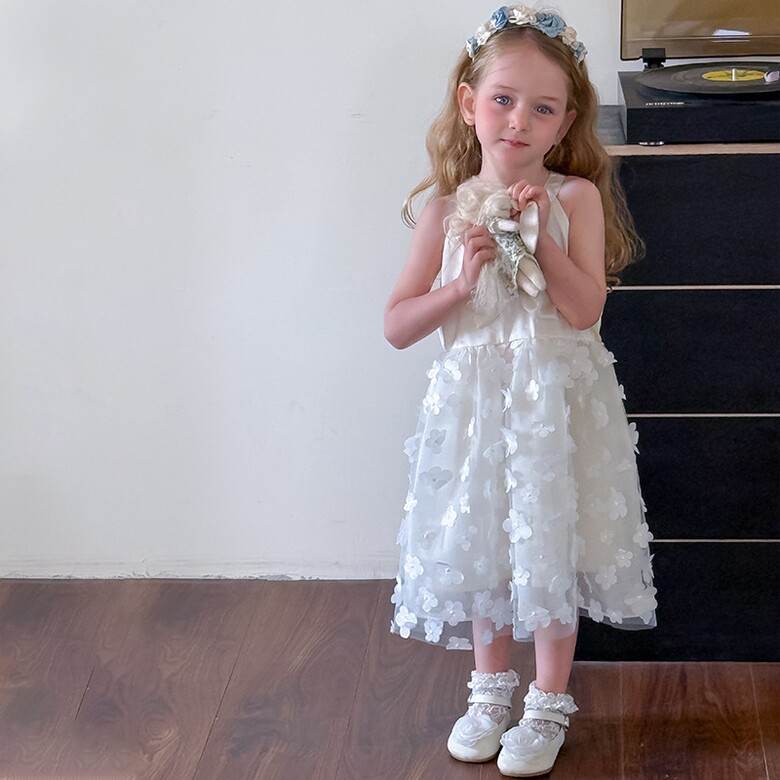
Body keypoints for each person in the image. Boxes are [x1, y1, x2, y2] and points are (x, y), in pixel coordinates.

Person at [384, 5, 658, 777]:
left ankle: (546, 703)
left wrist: (540, 245)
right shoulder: (443, 213)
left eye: (543, 108)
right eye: (503, 99)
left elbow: (583, 309)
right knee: (486, 547)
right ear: (469, 102)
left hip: (553, 413)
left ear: (565, 121)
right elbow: (397, 325)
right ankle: (488, 693)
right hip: (477, 413)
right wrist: (458, 285)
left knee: (549, 545)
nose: (519, 121)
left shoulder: (573, 200)